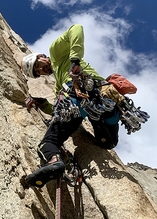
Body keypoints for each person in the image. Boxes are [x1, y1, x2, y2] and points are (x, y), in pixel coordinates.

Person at [21, 24, 120, 188]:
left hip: (82, 94)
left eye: (38, 64)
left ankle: (54, 162)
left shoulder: (55, 52)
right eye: (38, 72)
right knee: (107, 143)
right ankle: (102, 116)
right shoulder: (59, 84)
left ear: (41, 56)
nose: (41, 69)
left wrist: (75, 59)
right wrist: (41, 102)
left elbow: (77, 28)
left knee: (48, 143)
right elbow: (56, 110)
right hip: (101, 100)